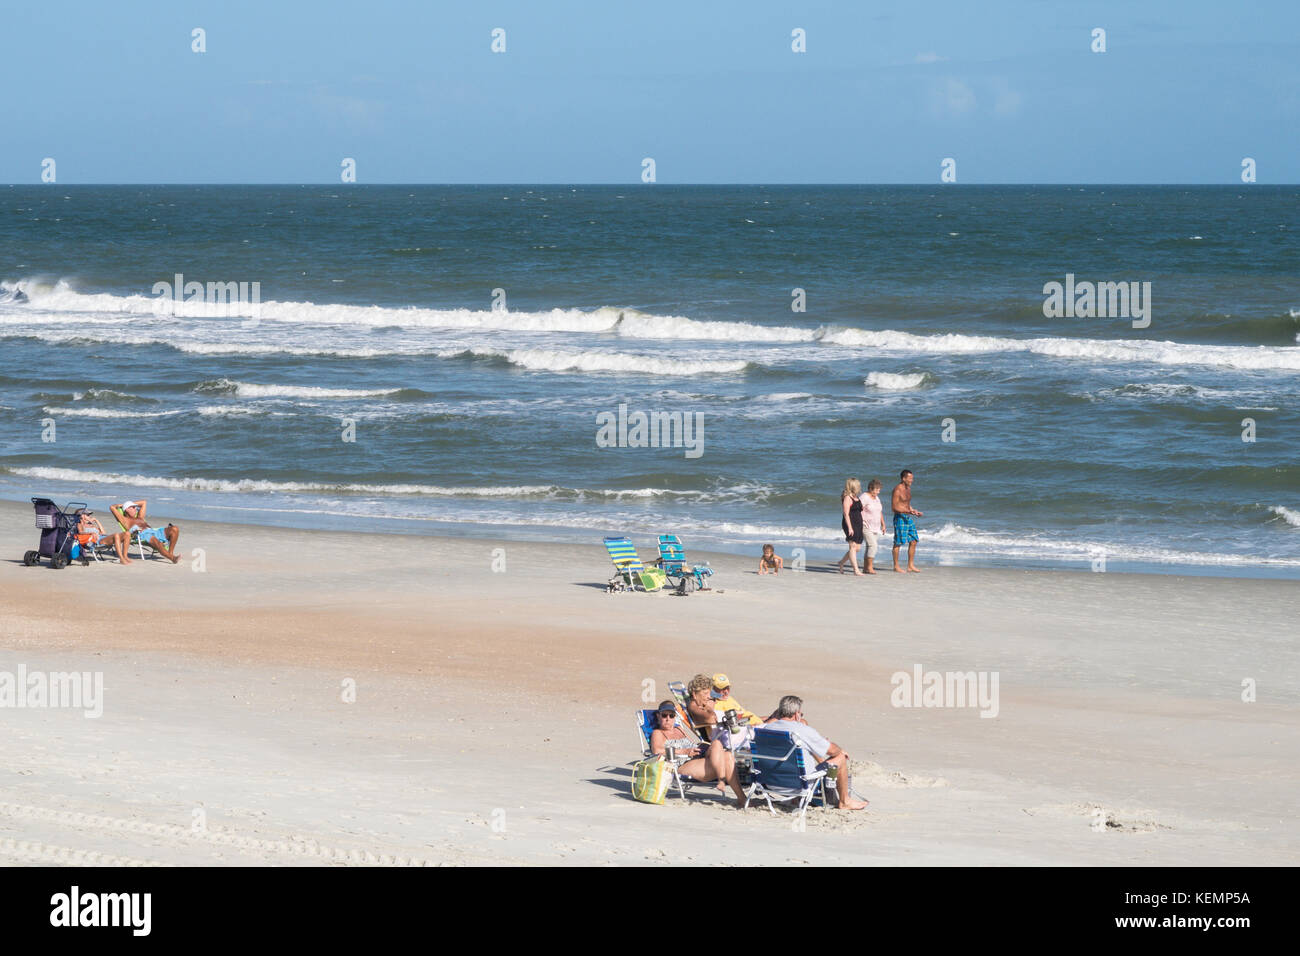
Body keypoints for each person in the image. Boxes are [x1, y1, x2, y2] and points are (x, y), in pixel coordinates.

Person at [762, 695, 868, 810]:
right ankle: (845, 801)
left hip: (771, 783)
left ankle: (795, 799)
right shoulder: (802, 730)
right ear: (797, 714)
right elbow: (833, 751)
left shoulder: (766, 729)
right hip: (799, 785)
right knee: (840, 757)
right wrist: (839, 749)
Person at [648, 701, 744, 806]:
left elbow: (691, 744)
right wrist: (685, 751)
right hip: (681, 765)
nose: (668, 719)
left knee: (722, 750)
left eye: (671, 715)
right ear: (658, 716)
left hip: (696, 758)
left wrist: (700, 747)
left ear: (675, 716)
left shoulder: (679, 729)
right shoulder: (657, 733)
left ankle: (740, 797)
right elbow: (656, 751)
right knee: (725, 758)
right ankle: (723, 781)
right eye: (664, 715)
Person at [109, 499, 181, 563]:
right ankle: (172, 558)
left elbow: (144, 502)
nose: (136, 509)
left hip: (154, 531)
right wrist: (122, 505)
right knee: (155, 540)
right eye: (133, 507)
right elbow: (112, 507)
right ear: (127, 510)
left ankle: (170, 553)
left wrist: (130, 505)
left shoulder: (140, 517)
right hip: (142, 535)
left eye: (136, 507)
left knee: (175, 529)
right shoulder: (125, 520)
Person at [891, 469, 923, 573]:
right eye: (910, 478)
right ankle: (896, 566)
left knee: (914, 540)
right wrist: (908, 511)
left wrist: (914, 511)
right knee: (898, 542)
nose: (912, 480)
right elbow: (894, 507)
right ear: (903, 478)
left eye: (912, 478)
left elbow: (907, 504)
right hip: (899, 518)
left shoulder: (908, 488)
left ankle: (910, 565)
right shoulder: (897, 490)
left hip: (908, 517)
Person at [836, 477, 865, 576]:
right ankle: (856, 570)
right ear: (853, 486)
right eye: (858, 485)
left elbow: (859, 511)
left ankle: (841, 562)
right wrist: (850, 527)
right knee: (852, 546)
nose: (859, 487)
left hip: (858, 524)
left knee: (857, 548)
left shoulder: (856, 497)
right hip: (850, 524)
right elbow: (846, 514)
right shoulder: (847, 497)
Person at [860, 479, 886, 574]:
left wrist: (883, 524)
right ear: (871, 488)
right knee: (873, 545)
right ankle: (870, 567)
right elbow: (857, 509)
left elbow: (879, 511)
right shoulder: (864, 497)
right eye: (877, 489)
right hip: (865, 524)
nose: (878, 491)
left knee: (869, 546)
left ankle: (865, 568)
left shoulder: (876, 498)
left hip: (875, 526)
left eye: (879, 489)